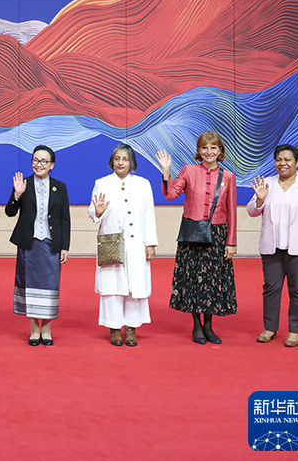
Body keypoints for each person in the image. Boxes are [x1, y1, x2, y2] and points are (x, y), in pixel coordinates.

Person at [157, 131, 237, 344]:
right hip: (192, 233)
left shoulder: (228, 177)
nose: (209, 152)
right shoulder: (188, 171)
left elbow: (232, 211)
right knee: (193, 280)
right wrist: (166, 172)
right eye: (204, 148)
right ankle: (197, 325)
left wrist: (231, 242)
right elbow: (171, 194)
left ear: (220, 150)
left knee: (211, 281)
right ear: (198, 151)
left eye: (213, 147)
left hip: (217, 234)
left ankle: (209, 326)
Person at [248, 144, 298, 347]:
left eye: (287, 159)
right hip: (271, 248)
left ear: (297, 162)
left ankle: (294, 331)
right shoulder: (266, 183)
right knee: (271, 288)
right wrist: (259, 200)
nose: (282, 163)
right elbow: (252, 212)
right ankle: (269, 327)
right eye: (279, 159)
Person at [89, 144, 157, 347]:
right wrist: (98, 212)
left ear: (131, 162)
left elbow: (149, 214)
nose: (120, 162)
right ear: (112, 161)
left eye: (125, 159)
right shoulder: (101, 183)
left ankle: (131, 328)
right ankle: (114, 328)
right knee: (112, 287)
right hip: (111, 242)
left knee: (135, 286)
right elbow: (92, 212)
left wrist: (151, 243)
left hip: (137, 245)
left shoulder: (143, 184)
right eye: (117, 158)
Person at [5, 145, 70, 346]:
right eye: (35, 160)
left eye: (43, 161)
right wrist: (16, 195)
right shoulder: (23, 183)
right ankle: (34, 329)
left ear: (52, 165)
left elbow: (64, 219)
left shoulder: (60, 186)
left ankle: (47, 329)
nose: (38, 164)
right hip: (28, 244)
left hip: (51, 244)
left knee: (50, 286)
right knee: (30, 286)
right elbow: (9, 212)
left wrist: (64, 246)